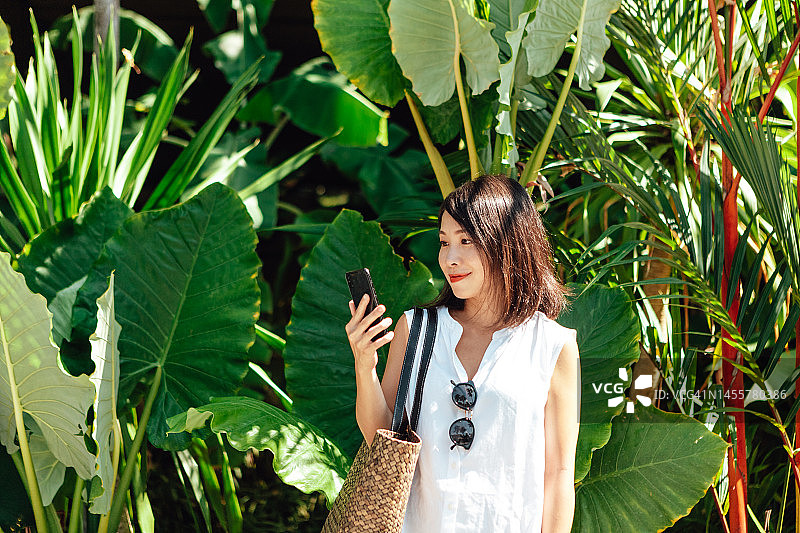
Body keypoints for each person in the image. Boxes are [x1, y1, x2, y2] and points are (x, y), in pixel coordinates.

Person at [345, 175, 580, 533]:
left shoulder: (552, 345)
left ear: (507, 244)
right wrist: (365, 366)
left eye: (466, 241)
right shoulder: (417, 330)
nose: (450, 259)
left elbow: (558, 473)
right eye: (444, 242)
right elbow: (382, 439)